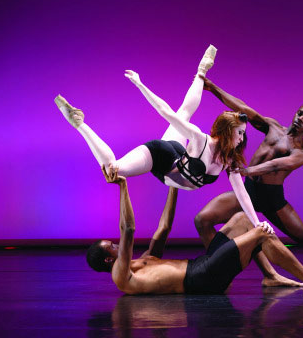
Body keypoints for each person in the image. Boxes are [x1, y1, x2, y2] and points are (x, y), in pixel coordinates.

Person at [54, 46, 263, 241]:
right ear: (226, 132)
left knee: (184, 112)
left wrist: (257, 224)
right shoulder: (201, 139)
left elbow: (241, 194)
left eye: (243, 134)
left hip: (177, 153)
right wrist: (140, 84)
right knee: (113, 169)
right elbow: (165, 112)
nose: (241, 139)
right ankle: (79, 123)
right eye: (239, 133)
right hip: (161, 158)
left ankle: (201, 71)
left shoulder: (229, 160)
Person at [194, 77, 303, 280]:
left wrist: (248, 171)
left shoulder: (300, 152)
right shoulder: (272, 127)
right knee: (202, 220)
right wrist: (213, 88)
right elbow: (242, 108)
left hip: (272, 199)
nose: (301, 118)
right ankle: (216, 269)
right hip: (249, 192)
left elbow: (276, 165)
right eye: (300, 113)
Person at [86, 165, 303, 295]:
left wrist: (174, 182)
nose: (117, 243)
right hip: (201, 280)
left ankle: (270, 275)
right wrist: (123, 186)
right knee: (260, 232)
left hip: (203, 265)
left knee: (243, 220)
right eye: (112, 245)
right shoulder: (120, 276)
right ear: (109, 259)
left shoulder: (140, 261)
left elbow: (163, 227)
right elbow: (128, 229)